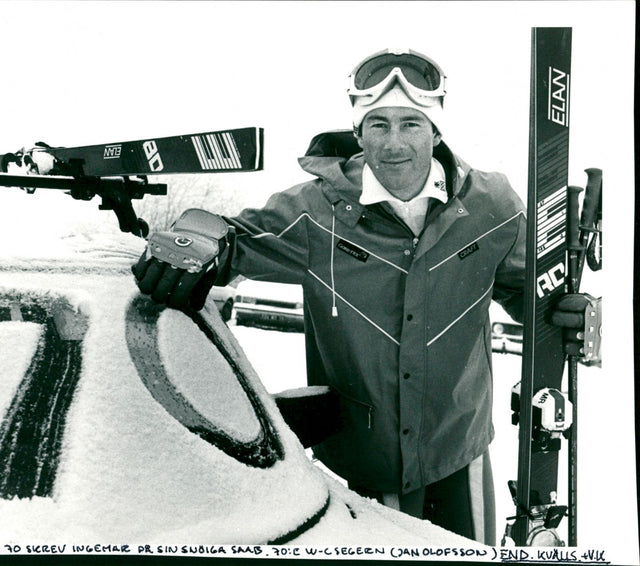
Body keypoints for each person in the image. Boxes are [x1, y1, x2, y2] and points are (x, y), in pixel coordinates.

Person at [132, 48, 597, 545]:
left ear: (436, 130)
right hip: (362, 461)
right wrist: (196, 237)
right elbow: (235, 240)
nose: (394, 143)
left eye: (410, 124)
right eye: (378, 125)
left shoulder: (491, 207)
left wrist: (560, 313)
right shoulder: (315, 211)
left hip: (458, 448)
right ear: (358, 133)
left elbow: (526, 293)